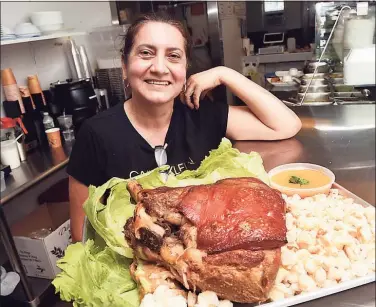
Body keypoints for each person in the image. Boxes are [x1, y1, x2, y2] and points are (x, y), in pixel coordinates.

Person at [68, 13, 302, 242]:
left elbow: (285, 125)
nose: (160, 67)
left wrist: (226, 74)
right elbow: (81, 233)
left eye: (173, 56)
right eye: (146, 53)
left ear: (185, 68)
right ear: (124, 65)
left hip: (202, 254)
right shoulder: (96, 134)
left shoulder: (201, 114)